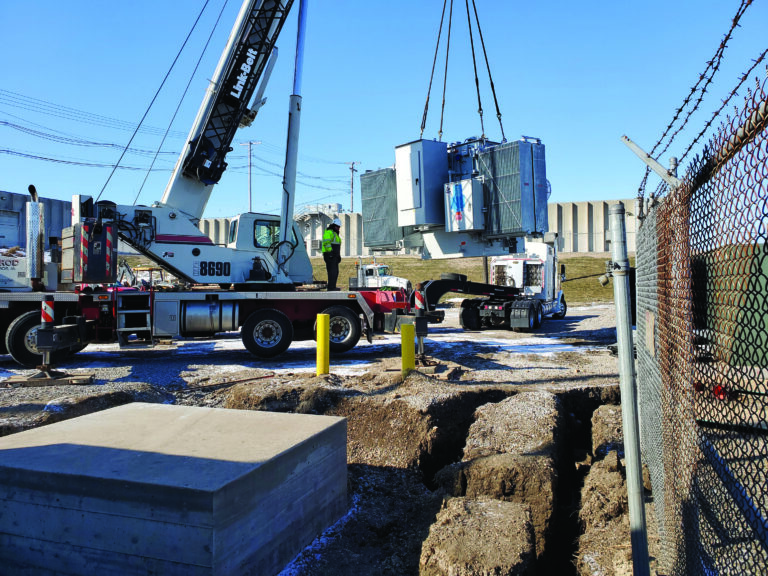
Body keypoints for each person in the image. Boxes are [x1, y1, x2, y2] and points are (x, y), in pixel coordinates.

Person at [322, 217, 342, 290]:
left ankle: (332, 286)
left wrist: (338, 256)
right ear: (334, 226)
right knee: (332, 272)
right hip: (329, 255)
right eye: (337, 226)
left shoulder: (335, 234)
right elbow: (326, 243)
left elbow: (337, 246)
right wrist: (330, 252)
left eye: (339, 227)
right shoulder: (329, 232)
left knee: (335, 272)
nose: (338, 228)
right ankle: (331, 287)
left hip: (334, 256)